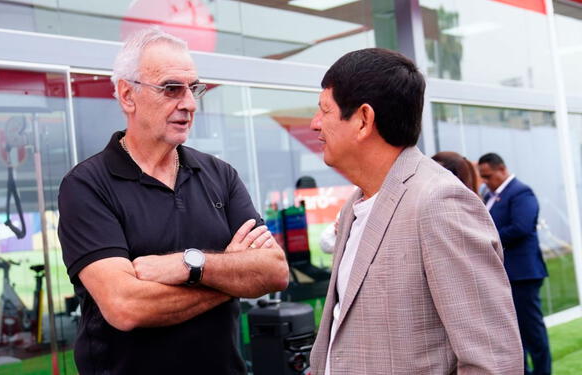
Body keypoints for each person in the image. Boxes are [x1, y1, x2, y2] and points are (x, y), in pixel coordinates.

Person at [57, 27, 288, 375]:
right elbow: (126, 306)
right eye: (171, 89)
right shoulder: (87, 185)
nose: (190, 104)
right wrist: (231, 276)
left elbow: (274, 271)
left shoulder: (219, 174)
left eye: (194, 88)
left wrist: (187, 265)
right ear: (127, 95)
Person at [308, 48, 523, 374]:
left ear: (364, 120)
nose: (314, 124)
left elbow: (492, 362)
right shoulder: (357, 202)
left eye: (325, 110)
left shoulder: (440, 203)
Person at [478, 152, 551, 375]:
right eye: (483, 177)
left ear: (502, 169)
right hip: (505, 273)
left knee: (532, 331)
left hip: (524, 274)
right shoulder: (489, 194)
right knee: (514, 331)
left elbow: (521, 227)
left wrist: (483, 237)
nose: (486, 181)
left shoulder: (521, 192)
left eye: (489, 176)